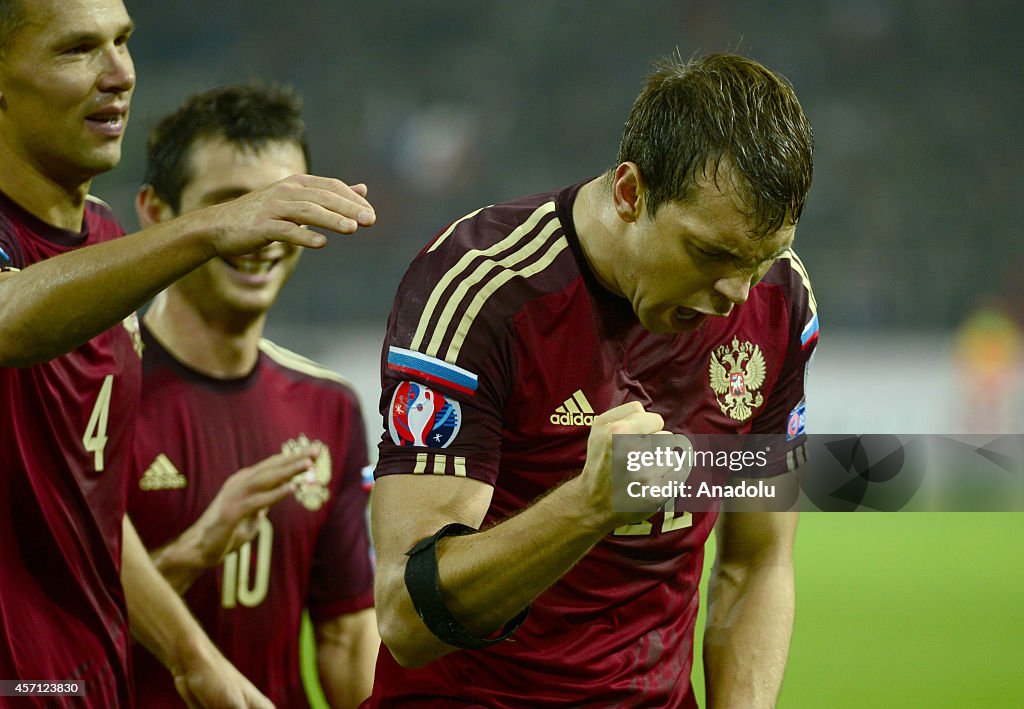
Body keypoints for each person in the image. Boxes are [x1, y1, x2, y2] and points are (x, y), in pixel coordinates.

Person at [367, 53, 817, 707]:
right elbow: (406, 617)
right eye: (709, 253)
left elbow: (757, 564)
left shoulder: (779, 301)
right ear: (631, 193)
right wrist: (588, 506)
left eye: (761, 258)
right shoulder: (480, 292)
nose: (735, 293)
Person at [0, 1, 374, 706]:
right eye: (78, 49)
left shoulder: (103, 243)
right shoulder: (65, 280)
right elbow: (7, 315)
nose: (119, 74)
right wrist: (210, 229)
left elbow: (87, 515)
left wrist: (194, 657)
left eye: (124, 43)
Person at [126, 85, 378, 709]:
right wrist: (193, 552)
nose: (262, 234)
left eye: (283, 207)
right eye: (231, 205)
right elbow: (46, 648)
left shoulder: (330, 408)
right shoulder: (93, 389)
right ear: (157, 212)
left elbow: (346, 639)